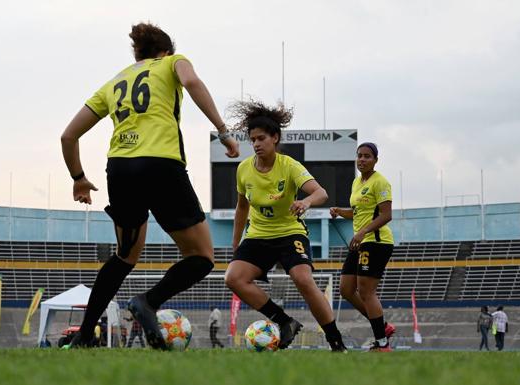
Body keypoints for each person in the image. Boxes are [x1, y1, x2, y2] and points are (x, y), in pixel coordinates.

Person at [60, 22, 239, 349]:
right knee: (201, 256)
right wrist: (223, 131)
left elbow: (68, 135)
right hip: (160, 163)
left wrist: (78, 178)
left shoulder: (114, 82)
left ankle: (85, 336)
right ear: (165, 51)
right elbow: (192, 81)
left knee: (124, 257)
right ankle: (148, 301)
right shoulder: (173, 61)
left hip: (120, 168)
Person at [224, 99, 347, 352]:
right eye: (253, 139)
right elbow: (242, 207)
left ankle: (337, 343)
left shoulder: (289, 166)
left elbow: (321, 193)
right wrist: (236, 243)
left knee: (303, 279)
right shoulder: (244, 170)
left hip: (290, 232)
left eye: (261, 138)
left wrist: (306, 202)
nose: (256, 144)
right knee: (234, 278)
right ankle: (285, 322)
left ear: (275, 138)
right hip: (258, 235)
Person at [329, 142, 395, 352]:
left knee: (366, 292)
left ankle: (382, 343)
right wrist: (341, 211)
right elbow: (358, 212)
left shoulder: (380, 182)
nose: (362, 159)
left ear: (376, 160)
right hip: (359, 242)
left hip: (376, 242)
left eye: (367, 156)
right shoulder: (356, 183)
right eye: (359, 156)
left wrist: (362, 232)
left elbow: (386, 215)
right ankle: (383, 326)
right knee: (346, 290)